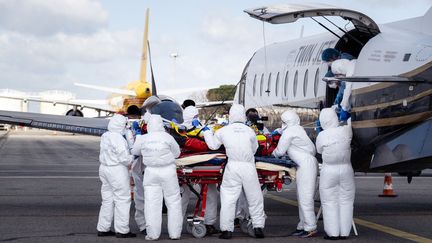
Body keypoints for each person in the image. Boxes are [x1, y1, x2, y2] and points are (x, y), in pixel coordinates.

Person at [203, 104, 265, 239]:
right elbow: (254, 149)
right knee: (255, 198)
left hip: (232, 167)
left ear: (230, 115)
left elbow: (213, 146)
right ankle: (258, 227)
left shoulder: (223, 131)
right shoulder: (250, 131)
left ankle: (227, 230)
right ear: (243, 115)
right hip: (249, 167)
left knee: (228, 199)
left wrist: (207, 132)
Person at [131, 114, 183, 240]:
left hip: (151, 172)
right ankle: (175, 233)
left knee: (152, 203)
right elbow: (177, 153)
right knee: (173, 202)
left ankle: (153, 234)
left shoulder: (143, 138)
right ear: (161, 124)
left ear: (149, 125)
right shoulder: (167, 137)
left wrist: (138, 136)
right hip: (168, 171)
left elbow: (135, 151)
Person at [271, 110, 318, 238]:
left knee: (305, 198)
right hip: (306, 164)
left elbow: (280, 151)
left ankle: (310, 227)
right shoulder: (297, 129)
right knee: (302, 196)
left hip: (306, 165)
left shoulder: (290, 132)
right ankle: (303, 225)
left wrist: (270, 154)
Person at [315, 108, 355, 240]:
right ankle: (344, 232)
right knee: (346, 201)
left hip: (329, 171)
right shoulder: (346, 130)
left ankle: (333, 233)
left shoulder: (322, 136)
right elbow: (350, 121)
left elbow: (319, 151)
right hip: (346, 170)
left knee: (329, 202)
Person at [180, 105, 219, 235]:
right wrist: (206, 130)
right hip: (204, 165)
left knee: (181, 198)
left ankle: (175, 226)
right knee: (211, 194)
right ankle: (209, 223)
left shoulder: (178, 130)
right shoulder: (202, 130)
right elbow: (212, 146)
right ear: (195, 117)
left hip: (184, 166)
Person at [96, 114, 136, 238]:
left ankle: (103, 228)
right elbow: (124, 158)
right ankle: (122, 230)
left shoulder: (105, 135)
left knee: (107, 200)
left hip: (104, 169)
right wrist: (134, 156)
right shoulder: (118, 138)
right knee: (122, 199)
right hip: (117, 170)